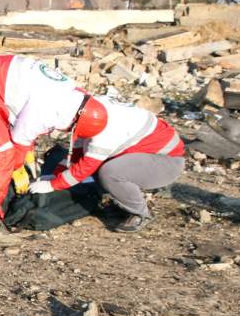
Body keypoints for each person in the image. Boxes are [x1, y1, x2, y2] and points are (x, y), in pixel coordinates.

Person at [0, 55, 95, 247]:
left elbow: (26, 125)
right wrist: (17, 168)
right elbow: (22, 137)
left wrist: (27, 157)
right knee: (0, 153)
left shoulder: (68, 95)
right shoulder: (52, 107)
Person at [28, 96, 184, 232]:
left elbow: (86, 167)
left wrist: (52, 185)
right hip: (147, 153)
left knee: (109, 173)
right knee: (99, 167)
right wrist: (54, 176)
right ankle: (121, 199)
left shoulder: (106, 133)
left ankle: (140, 213)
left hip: (167, 161)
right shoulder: (91, 110)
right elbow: (77, 153)